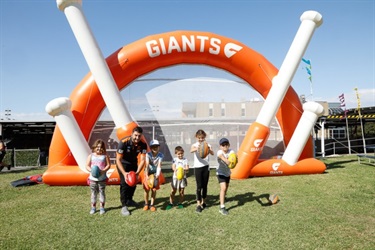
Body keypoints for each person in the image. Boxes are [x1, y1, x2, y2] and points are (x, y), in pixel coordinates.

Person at [116, 126, 147, 216]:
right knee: (124, 184)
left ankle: (129, 200)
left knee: (133, 183)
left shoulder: (143, 144)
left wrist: (137, 172)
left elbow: (143, 160)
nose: (137, 138)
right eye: (135, 135)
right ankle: (124, 205)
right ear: (131, 134)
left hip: (133, 164)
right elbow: (118, 160)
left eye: (139, 136)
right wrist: (124, 173)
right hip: (123, 164)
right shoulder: (123, 142)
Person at [190, 129, 214, 213]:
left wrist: (208, 149)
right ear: (196, 137)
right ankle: (198, 204)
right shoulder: (195, 145)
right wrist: (198, 148)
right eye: (199, 138)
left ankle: (204, 203)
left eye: (202, 138)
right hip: (198, 167)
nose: (201, 139)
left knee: (205, 186)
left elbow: (212, 153)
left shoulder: (207, 144)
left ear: (205, 137)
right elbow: (191, 150)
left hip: (206, 167)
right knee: (199, 186)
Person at [85, 139, 111, 215]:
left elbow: (108, 165)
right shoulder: (91, 155)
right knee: (93, 193)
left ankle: (102, 208)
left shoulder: (105, 156)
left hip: (102, 178)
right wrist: (91, 170)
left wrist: (103, 171)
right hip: (92, 178)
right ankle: (93, 207)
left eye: (100, 147)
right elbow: (87, 165)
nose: (99, 148)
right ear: (94, 147)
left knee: (101, 192)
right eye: (97, 147)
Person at [142, 139, 164, 212]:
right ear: (151, 148)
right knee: (146, 189)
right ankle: (146, 204)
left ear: (159, 147)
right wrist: (146, 175)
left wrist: (157, 175)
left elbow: (159, 165)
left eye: (156, 146)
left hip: (155, 173)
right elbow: (147, 165)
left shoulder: (161, 155)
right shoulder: (148, 154)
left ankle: (152, 204)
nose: (155, 148)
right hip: (148, 173)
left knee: (154, 190)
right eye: (153, 146)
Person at [216, 138, 235, 215]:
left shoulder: (231, 151)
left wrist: (235, 161)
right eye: (223, 145)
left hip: (227, 173)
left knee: (226, 188)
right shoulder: (219, 152)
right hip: (220, 172)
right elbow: (220, 156)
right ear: (220, 146)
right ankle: (222, 207)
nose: (225, 146)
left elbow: (234, 157)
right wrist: (226, 160)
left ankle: (222, 197)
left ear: (229, 145)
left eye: (226, 144)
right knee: (223, 188)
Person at [166, 146, 189, 210]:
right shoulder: (175, 159)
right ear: (176, 154)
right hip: (175, 178)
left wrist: (183, 169)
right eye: (178, 154)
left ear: (183, 153)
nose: (180, 155)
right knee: (173, 190)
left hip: (183, 177)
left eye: (181, 153)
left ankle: (180, 203)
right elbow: (173, 166)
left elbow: (187, 168)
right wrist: (175, 170)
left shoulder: (185, 160)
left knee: (181, 191)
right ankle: (171, 203)